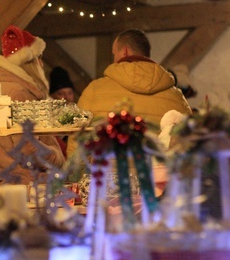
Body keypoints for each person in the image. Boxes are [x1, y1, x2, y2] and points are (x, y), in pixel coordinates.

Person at [66, 28, 192, 186]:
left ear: (124, 52)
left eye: (114, 54)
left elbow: (78, 146)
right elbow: (189, 147)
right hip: (158, 191)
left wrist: (76, 183)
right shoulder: (177, 97)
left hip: (109, 190)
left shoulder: (95, 90)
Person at [0, 25, 66, 184]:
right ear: (31, 61)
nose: (41, 64)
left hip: (10, 180)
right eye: (39, 58)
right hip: (26, 182)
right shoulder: (20, 93)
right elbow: (28, 148)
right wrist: (54, 156)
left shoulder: (1, 87)